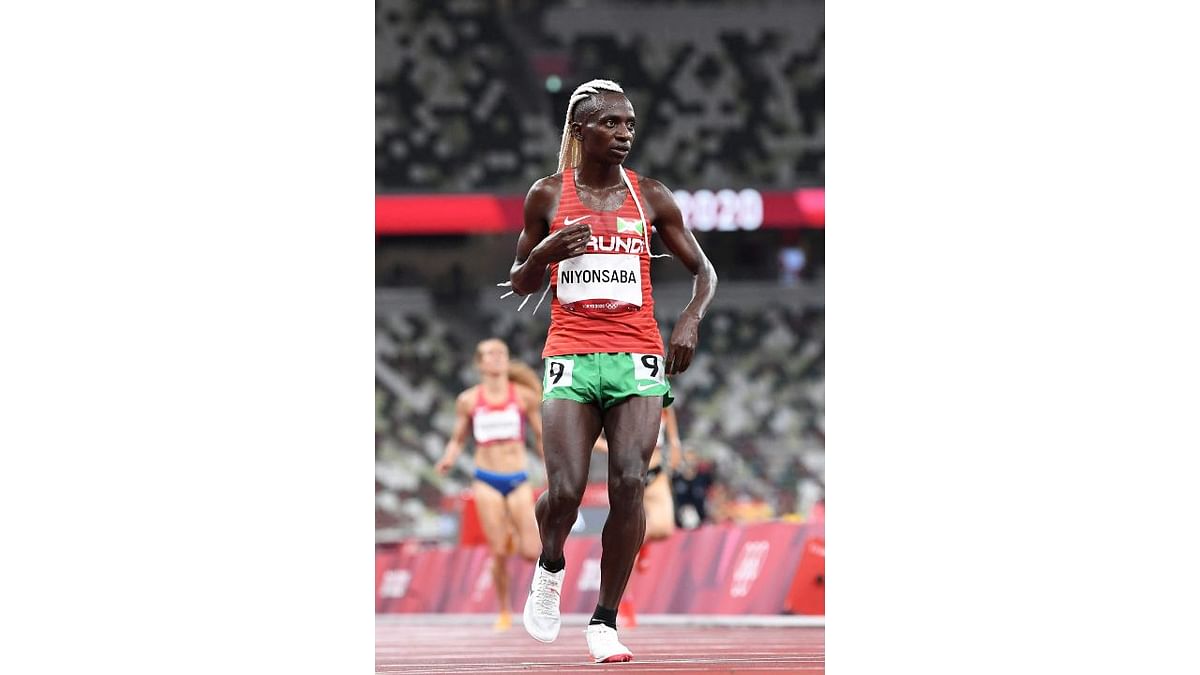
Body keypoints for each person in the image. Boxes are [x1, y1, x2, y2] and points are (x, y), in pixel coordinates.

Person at [508, 79, 716, 663]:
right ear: (580, 131)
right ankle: (550, 566)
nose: (624, 134)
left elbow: (705, 272)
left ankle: (604, 620)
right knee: (568, 491)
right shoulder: (547, 195)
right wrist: (548, 253)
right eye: (610, 124)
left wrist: (689, 320)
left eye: (629, 125)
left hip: (638, 353)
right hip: (570, 353)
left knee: (630, 483)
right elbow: (519, 281)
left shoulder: (650, 196)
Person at [435, 338, 544, 631]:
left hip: (518, 477)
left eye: (501, 353)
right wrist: (448, 458)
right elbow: (458, 438)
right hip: (486, 479)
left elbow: (539, 435)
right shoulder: (468, 400)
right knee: (498, 552)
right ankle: (505, 610)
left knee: (531, 551)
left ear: (508, 360)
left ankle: (512, 536)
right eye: (489, 354)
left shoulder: (523, 396)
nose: (495, 358)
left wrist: (552, 467)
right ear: (479, 363)